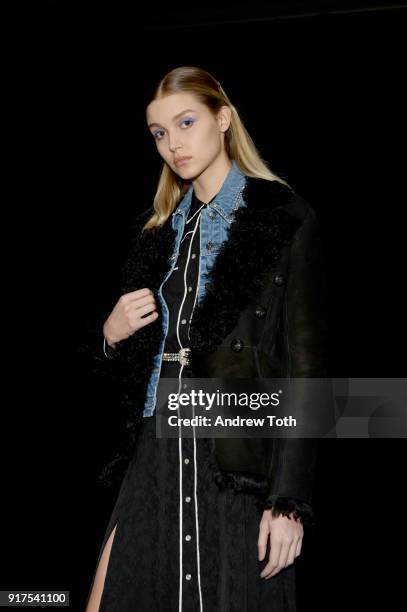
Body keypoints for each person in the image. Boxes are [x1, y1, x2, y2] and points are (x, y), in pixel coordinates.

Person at [84, 65, 329, 612]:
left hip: (233, 443)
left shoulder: (281, 217)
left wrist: (288, 501)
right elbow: (115, 381)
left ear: (223, 119)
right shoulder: (157, 232)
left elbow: (306, 366)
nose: (173, 144)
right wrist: (109, 335)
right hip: (156, 442)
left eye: (186, 122)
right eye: (159, 133)